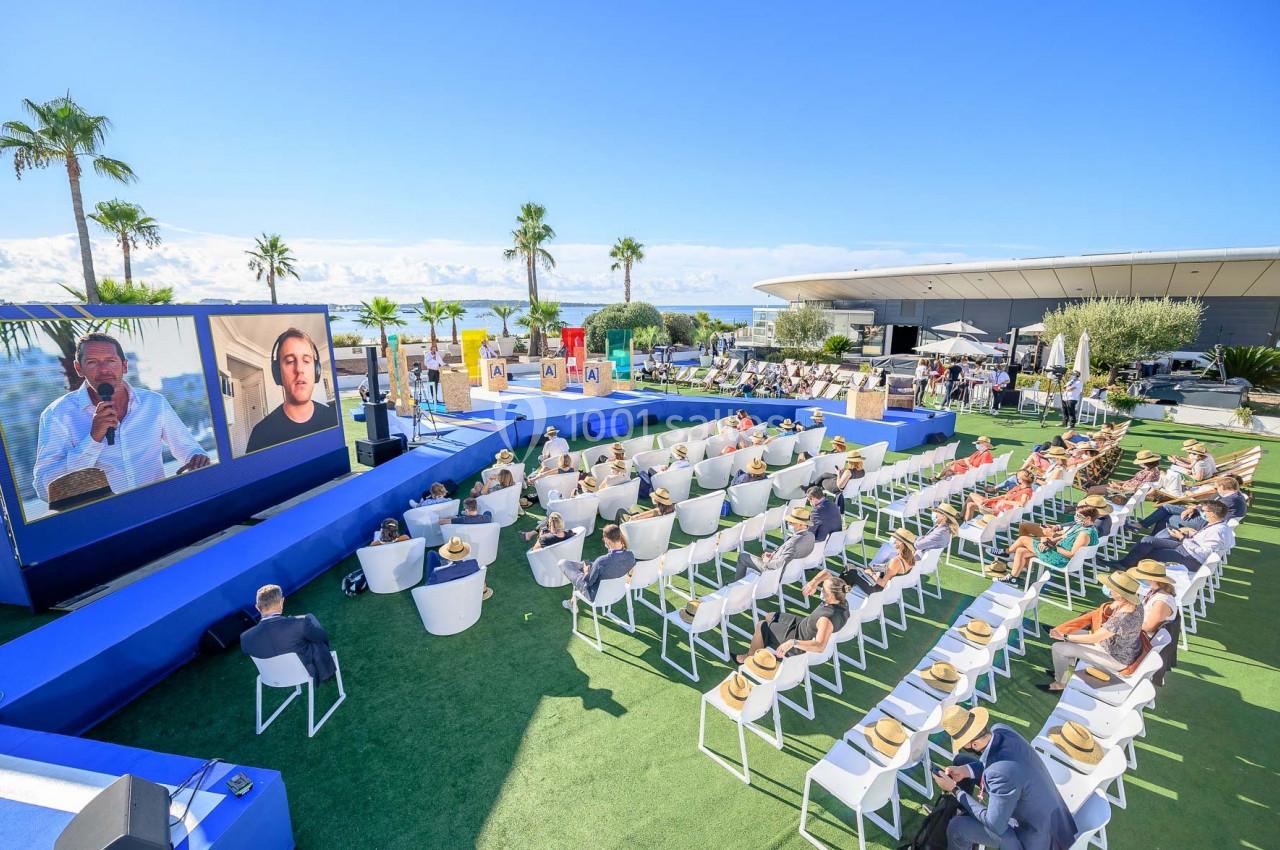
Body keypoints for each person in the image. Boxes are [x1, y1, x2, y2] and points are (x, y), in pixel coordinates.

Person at [33, 332, 211, 503]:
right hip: (106, 521)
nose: (104, 370)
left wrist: (197, 458)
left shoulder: (154, 403)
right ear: (79, 369)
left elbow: (188, 449)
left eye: (110, 361)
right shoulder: (57, 414)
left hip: (158, 507)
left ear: (124, 366)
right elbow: (44, 489)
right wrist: (92, 440)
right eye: (92, 362)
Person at [933, 704, 1077, 850]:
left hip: (1035, 839)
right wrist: (965, 770)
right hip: (1053, 821)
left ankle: (959, 827)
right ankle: (955, 816)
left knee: (957, 827)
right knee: (961, 761)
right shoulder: (1001, 729)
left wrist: (955, 790)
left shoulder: (999, 774)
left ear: (974, 744)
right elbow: (996, 761)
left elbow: (995, 825)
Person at [1043, 570, 1145, 692]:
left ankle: (1060, 683)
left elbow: (1095, 638)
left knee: (1058, 647)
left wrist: (1065, 637)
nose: (1108, 589)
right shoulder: (1134, 604)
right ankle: (1063, 673)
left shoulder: (1123, 618)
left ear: (1120, 593)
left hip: (1114, 657)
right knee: (1068, 639)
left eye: (1111, 587)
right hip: (1114, 646)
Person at [246, 328, 337, 453]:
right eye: (290, 361)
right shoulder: (260, 435)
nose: (299, 369)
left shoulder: (334, 418)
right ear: (278, 373)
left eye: (306, 361)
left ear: (316, 370)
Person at [735, 577, 850, 663]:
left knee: (761, 625)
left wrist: (792, 643)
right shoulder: (841, 600)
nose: (821, 590)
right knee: (770, 616)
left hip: (798, 637)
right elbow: (826, 573)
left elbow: (820, 646)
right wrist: (814, 583)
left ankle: (749, 658)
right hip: (802, 624)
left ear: (830, 596)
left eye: (823, 589)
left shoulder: (826, 619)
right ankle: (766, 644)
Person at [241, 584, 337, 682]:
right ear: (281, 602)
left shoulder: (245, 638)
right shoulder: (300, 624)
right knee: (311, 624)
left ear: (257, 607)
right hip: (304, 673)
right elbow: (322, 637)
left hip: (273, 678)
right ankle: (328, 672)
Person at [1115, 500, 1234, 570]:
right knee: (1148, 540)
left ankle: (1127, 567)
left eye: (1205, 511)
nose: (1202, 513)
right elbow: (1205, 543)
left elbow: (1203, 553)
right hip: (1187, 549)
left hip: (1191, 558)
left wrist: (1182, 538)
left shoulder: (1218, 531)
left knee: (1149, 552)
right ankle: (1125, 563)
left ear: (1212, 514)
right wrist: (1193, 534)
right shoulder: (1218, 526)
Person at [1004, 505, 1100, 584]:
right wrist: (1050, 542)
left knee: (1023, 539)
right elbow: (1063, 537)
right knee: (1021, 551)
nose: (1076, 517)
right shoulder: (1080, 526)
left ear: (1088, 518)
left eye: (1078, 516)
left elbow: (1072, 554)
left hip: (1060, 559)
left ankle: (1006, 552)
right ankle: (1013, 578)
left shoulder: (1085, 534)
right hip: (1058, 552)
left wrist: (1052, 546)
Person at [1132, 474, 1246, 535]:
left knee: (1167, 517)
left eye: (1217, 487)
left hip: (1206, 522)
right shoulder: (1235, 496)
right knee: (1166, 507)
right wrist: (1194, 508)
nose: (1216, 489)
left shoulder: (1230, 499)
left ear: (1222, 487)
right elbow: (1209, 507)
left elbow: (1210, 510)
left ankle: (1148, 531)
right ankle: (1146, 529)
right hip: (1207, 517)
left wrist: (1194, 508)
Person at [559, 524, 635, 609]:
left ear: (607, 540)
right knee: (587, 564)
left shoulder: (601, 562)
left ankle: (572, 604)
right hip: (616, 592)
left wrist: (586, 572)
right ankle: (572, 603)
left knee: (563, 563)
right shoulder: (631, 556)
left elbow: (588, 583)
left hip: (596, 595)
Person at [732, 506, 814, 581]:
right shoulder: (811, 536)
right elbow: (787, 555)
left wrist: (767, 562)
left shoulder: (793, 543)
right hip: (793, 570)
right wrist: (773, 554)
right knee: (766, 550)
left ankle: (737, 584)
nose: (788, 524)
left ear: (800, 524)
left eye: (791, 522)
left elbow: (779, 564)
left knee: (742, 557)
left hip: (775, 573)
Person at [1087, 448, 1162, 498]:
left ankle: (1083, 508)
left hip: (1126, 492)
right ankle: (1084, 507)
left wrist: (1120, 487)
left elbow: (1139, 489)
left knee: (1093, 490)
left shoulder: (1151, 473)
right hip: (1124, 488)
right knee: (1093, 489)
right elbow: (1135, 481)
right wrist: (1120, 483)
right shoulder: (1151, 470)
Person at [965, 470, 1034, 522]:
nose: (1017, 479)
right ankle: (962, 517)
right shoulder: (1020, 487)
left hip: (999, 512)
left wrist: (1005, 502)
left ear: (1021, 480)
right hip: (997, 505)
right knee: (971, 496)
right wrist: (990, 499)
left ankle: (966, 524)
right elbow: (1005, 496)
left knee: (970, 504)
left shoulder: (1026, 492)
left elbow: (1022, 504)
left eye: (1018, 478)